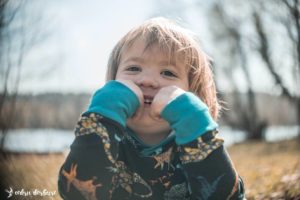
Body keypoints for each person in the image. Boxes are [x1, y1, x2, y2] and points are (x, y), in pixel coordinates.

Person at [58, 17, 245, 200]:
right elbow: (75, 192)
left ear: (192, 94)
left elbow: (227, 196)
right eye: (133, 69)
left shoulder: (194, 139)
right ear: (113, 81)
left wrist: (194, 120)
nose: (147, 80)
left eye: (168, 73)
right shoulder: (106, 138)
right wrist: (104, 112)